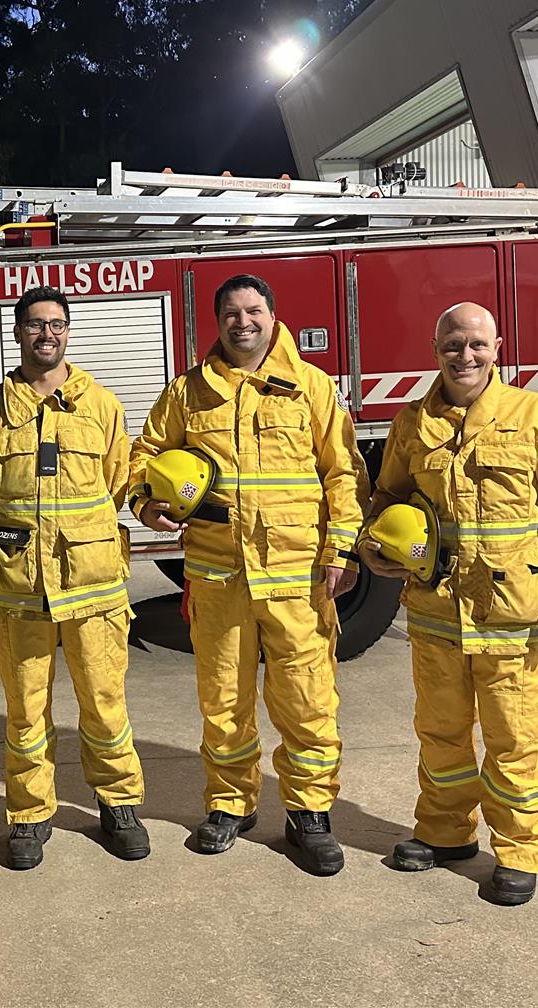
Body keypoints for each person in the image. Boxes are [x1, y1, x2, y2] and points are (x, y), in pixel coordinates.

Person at [130, 274, 367, 875]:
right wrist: (145, 502)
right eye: (232, 313)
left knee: (307, 701)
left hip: (296, 577)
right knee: (224, 700)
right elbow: (143, 457)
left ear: (272, 315)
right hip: (218, 577)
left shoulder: (310, 387)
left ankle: (309, 814)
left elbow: (343, 474)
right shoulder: (189, 393)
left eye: (253, 310)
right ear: (217, 321)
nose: (243, 322)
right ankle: (230, 805)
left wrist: (340, 551)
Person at [361, 301, 538, 907]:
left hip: (511, 613)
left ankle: (518, 850)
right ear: (435, 350)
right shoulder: (412, 421)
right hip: (436, 613)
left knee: (514, 737)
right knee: (441, 733)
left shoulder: (534, 414)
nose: (465, 356)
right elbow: (387, 495)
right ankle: (444, 834)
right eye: (452, 345)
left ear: (496, 349)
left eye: (476, 345)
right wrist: (374, 546)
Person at [0, 287, 149, 871]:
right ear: (16, 334)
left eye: (58, 324)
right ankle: (29, 814)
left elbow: (120, 480)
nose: (48, 334)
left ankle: (119, 805)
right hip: (22, 591)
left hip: (94, 589)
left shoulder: (103, 406)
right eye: (36, 325)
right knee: (24, 710)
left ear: (69, 332)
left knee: (105, 703)